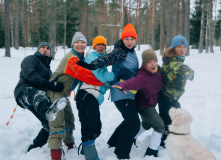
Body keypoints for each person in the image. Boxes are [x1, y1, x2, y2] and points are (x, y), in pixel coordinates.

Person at [77, 24, 140, 160]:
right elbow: (106, 60)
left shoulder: (132, 52)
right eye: (126, 39)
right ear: (122, 40)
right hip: (117, 92)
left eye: (132, 39)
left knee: (127, 122)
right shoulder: (120, 52)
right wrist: (92, 65)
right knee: (134, 123)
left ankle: (112, 143)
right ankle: (121, 153)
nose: (129, 41)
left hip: (127, 91)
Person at [46, 32, 104, 160]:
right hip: (55, 92)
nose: (80, 44)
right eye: (77, 42)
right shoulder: (72, 58)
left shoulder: (81, 57)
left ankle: (70, 147)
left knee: (69, 120)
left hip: (63, 94)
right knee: (57, 124)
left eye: (83, 42)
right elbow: (85, 75)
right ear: (72, 44)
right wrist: (104, 80)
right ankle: (55, 155)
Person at [14, 42, 67, 152]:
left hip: (38, 102)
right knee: (39, 95)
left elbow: (50, 84)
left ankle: (34, 147)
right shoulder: (30, 59)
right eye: (43, 47)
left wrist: (57, 86)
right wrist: (48, 84)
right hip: (24, 91)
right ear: (38, 49)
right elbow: (29, 74)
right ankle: (48, 111)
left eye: (48, 48)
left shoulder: (48, 69)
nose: (45, 49)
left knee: (49, 124)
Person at [112, 49, 165, 157]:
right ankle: (152, 152)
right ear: (144, 64)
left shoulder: (158, 71)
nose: (153, 64)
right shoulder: (143, 76)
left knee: (146, 124)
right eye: (149, 62)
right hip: (144, 105)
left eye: (154, 61)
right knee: (159, 126)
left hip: (150, 103)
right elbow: (133, 82)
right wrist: (122, 86)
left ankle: (133, 138)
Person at [76, 36, 116, 160]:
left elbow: (103, 81)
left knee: (96, 127)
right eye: (98, 44)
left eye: (103, 45)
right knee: (89, 126)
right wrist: (117, 74)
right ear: (94, 46)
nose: (101, 46)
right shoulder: (92, 57)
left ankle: (85, 149)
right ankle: (91, 156)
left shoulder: (101, 58)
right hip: (86, 94)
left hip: (93, 96)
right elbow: (102, 76)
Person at [158, 35, 194, 147]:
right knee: (169, 120)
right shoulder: (173, 61)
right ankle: (164, 144)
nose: (182, 50)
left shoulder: (175, 58)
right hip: (166, 96)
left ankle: (164, 142)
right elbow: (179, 67)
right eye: (179, 47)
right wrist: (188, 72)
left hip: (170, 96)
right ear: (173, 48)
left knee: (166, 120)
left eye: (184, 47)